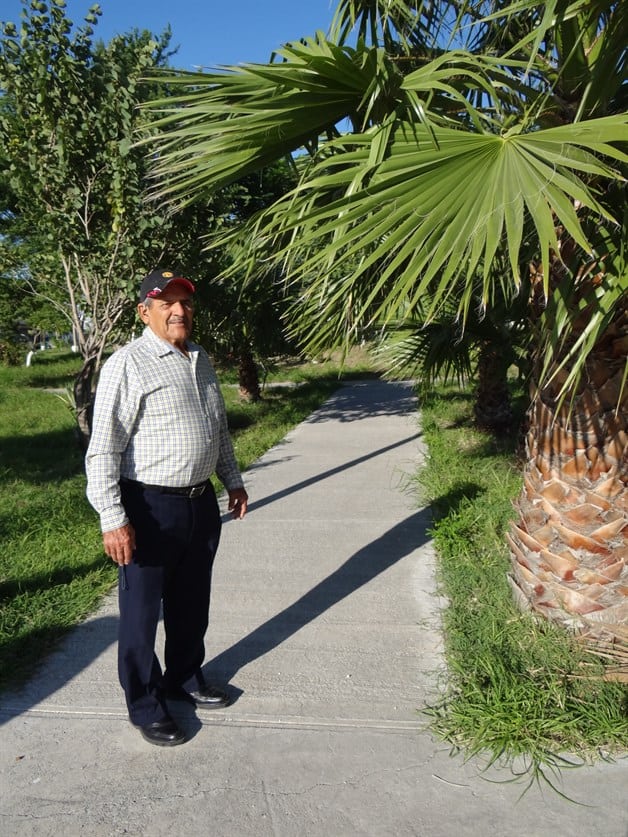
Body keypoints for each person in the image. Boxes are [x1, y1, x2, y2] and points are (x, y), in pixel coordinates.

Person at [85, 268, 248, 746]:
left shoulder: (199, 357)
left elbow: (217, 428)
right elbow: (103, 449)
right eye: (166, 303)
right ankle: (144, 703)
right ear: (145, 311)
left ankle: (183, 677)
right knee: (140, 615)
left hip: (200, 503)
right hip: (150, 507)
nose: (179, 311)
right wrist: (113, 519)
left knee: (191, 604)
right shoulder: (128, 363)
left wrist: (233, 482)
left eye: (185, 303)